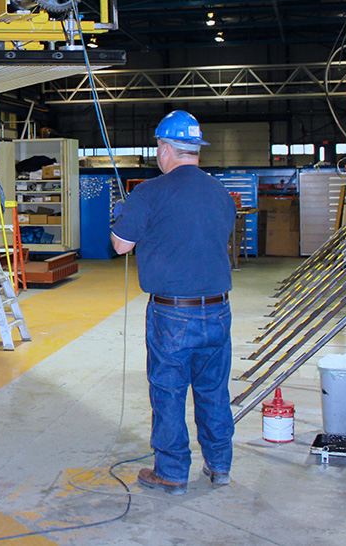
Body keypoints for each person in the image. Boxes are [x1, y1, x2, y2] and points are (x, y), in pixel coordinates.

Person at [110, 110, 236, 495]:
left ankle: (172, 471)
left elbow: (120, 245)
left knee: (168, 390)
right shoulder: (221, 192)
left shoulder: (149, 192)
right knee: (213, 390)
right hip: (218, 309)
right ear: (196, 150)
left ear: (165, 148)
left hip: (172, 313)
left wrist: (123, 215)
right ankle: (220, 466)